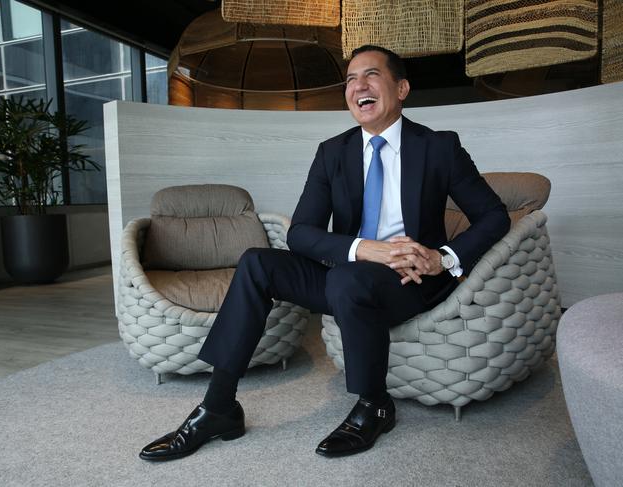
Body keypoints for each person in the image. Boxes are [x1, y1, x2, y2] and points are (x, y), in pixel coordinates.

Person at [139, 44, 510, 461]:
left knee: (347, 277)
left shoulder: (438, 147)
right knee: (257, 263)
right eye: (351, 79)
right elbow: (300, 233)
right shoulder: (333, 152)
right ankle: (219, 405)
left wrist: (442, 257)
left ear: (401, 88)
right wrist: (363, 248)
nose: (358, 86)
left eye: (370, 75)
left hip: (411, 281)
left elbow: (495, 216)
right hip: (347, 274)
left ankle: (374, 403)